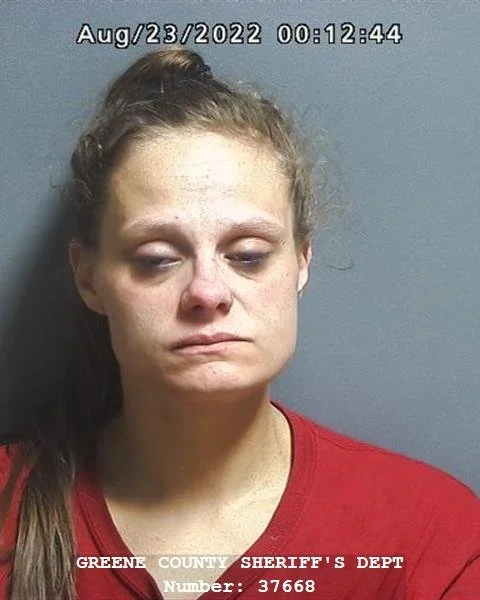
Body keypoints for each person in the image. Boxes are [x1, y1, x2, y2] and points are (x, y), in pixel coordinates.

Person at [0, 48, 478, 600]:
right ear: (89, 278)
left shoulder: (430, 537)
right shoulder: (12, 509)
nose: (207, 291)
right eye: (157, 258)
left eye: (248, 255)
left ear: (301, 263)